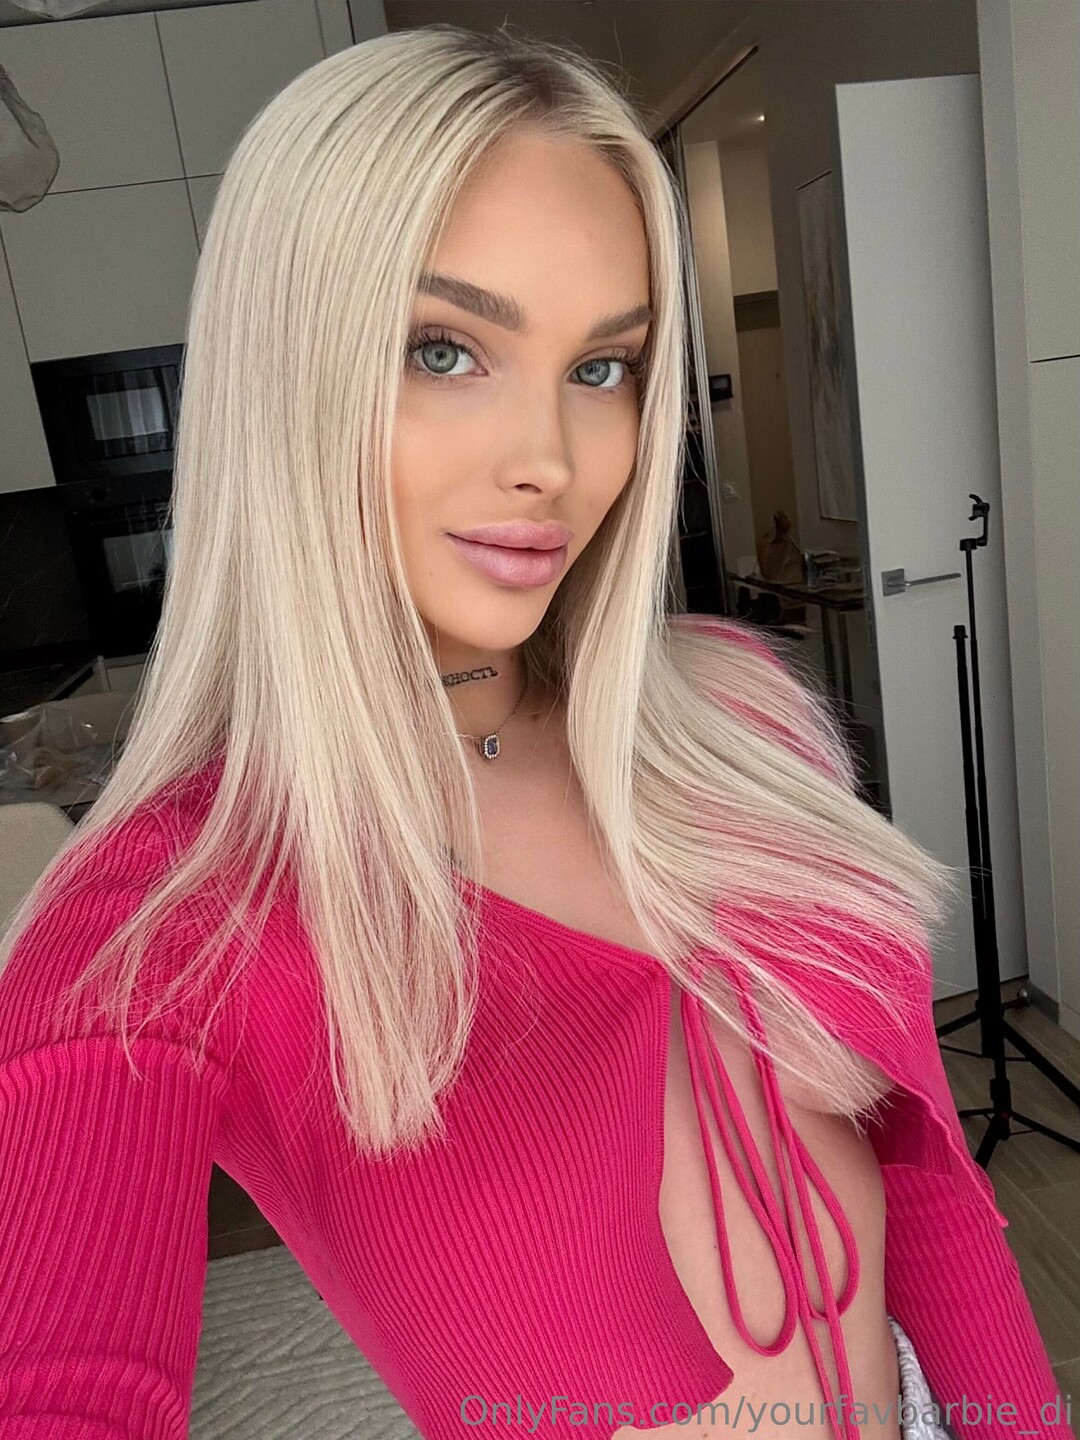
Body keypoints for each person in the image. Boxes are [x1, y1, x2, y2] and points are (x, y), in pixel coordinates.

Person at [0, 25, 1069, 1440]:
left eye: (603, 367)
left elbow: (921, 1188)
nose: (552, 461)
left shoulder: (739, 713)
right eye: (443, 349)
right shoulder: (167, 919)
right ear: (280, 374)